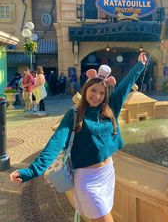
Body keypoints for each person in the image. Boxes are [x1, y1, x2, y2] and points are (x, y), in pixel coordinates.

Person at [10, 52, 147, 222]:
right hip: (87, 180)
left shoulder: (110, 109)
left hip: (107, 173)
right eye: (93, 90)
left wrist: (139, 66)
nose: (97, 96)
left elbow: (126, 86)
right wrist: (31, 171)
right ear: (86, 89)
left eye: (102, 93)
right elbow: (55, 143)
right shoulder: (74, 115)